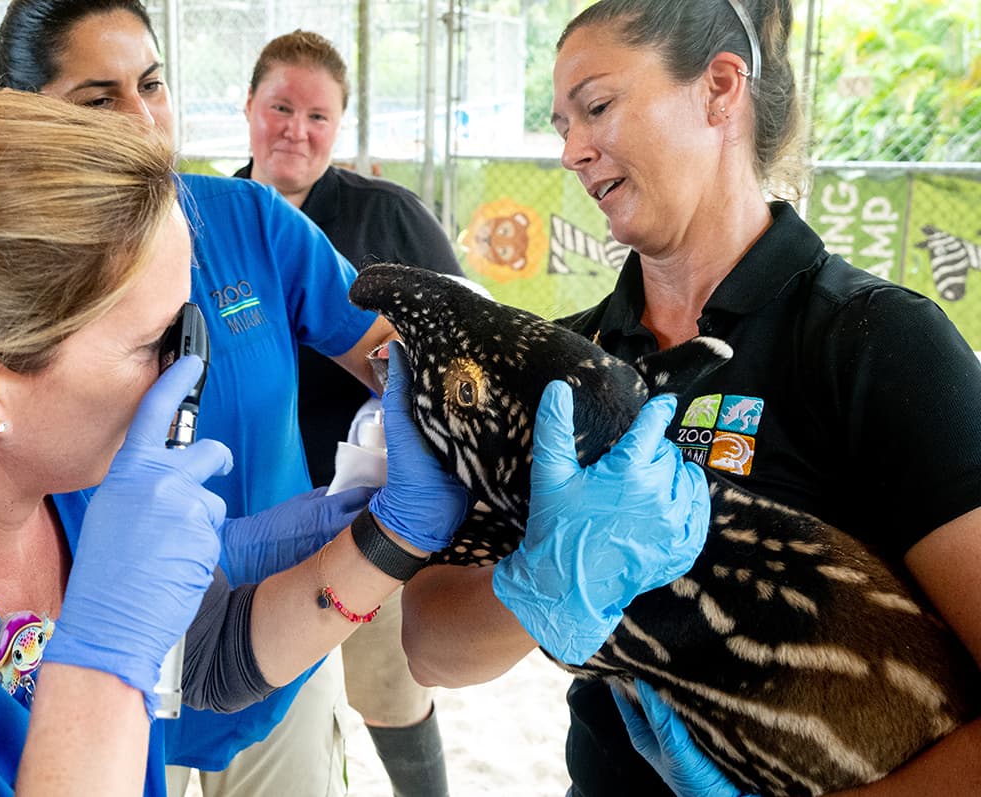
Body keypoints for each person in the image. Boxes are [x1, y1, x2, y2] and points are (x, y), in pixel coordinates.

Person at [0, 90, 474, 795]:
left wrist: (387, 536)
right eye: (159, 344)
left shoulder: (46, 465)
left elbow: (201, 658)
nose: (191, 376)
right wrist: (105, 654)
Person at [400, 1, 981, 796]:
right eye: (560, 124)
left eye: (596, 106)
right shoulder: (568, 360)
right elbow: (430, 647)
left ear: (719, 88)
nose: (571, 149)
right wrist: (542, 584)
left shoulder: (876, 340)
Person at [0, 4, 399, 795]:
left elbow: (393, 356)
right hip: (106, 674)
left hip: (281, 633)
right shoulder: (7, 280)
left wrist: (458, 425)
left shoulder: (245, 220)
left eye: (151, 84)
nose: (143, 120)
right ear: (26, 116)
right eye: (99, 99)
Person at [236, 29, 464, 797]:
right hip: (246, 520)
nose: (295, 129)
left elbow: (462, 343)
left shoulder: (392, 220)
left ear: (340, 128)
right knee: (256, 695)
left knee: (389, 689)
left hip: (367, 514)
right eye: (280, 107)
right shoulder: (215, 222)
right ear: (249, 108)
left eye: (318, 116)